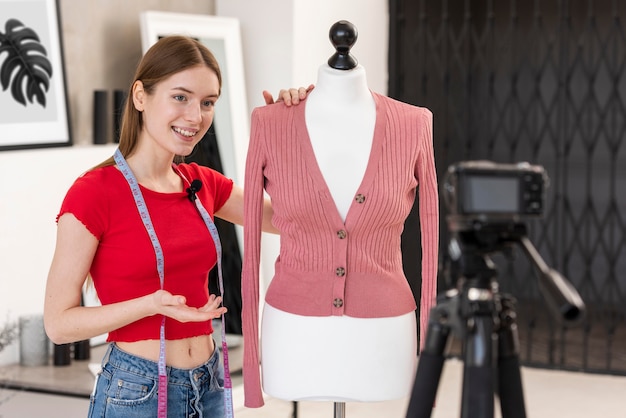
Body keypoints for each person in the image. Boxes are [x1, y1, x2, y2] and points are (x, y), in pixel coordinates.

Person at [43, 35, 310, 418]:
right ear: (140, 96)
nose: (195, 117)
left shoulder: (201, 183)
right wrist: (151, 305)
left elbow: (293, 220)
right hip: (137, 390)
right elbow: (58, 324)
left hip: (211, 383)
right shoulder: (93, 193)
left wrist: (290, 137)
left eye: (207, 103)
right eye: (180, 97)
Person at [241, 51, 439, 407]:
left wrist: (429, 353)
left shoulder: (414, 124)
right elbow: (251, 247)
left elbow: (431, 236)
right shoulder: (270, 123)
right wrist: (251, 374)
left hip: (384, 331)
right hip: (293, 330)